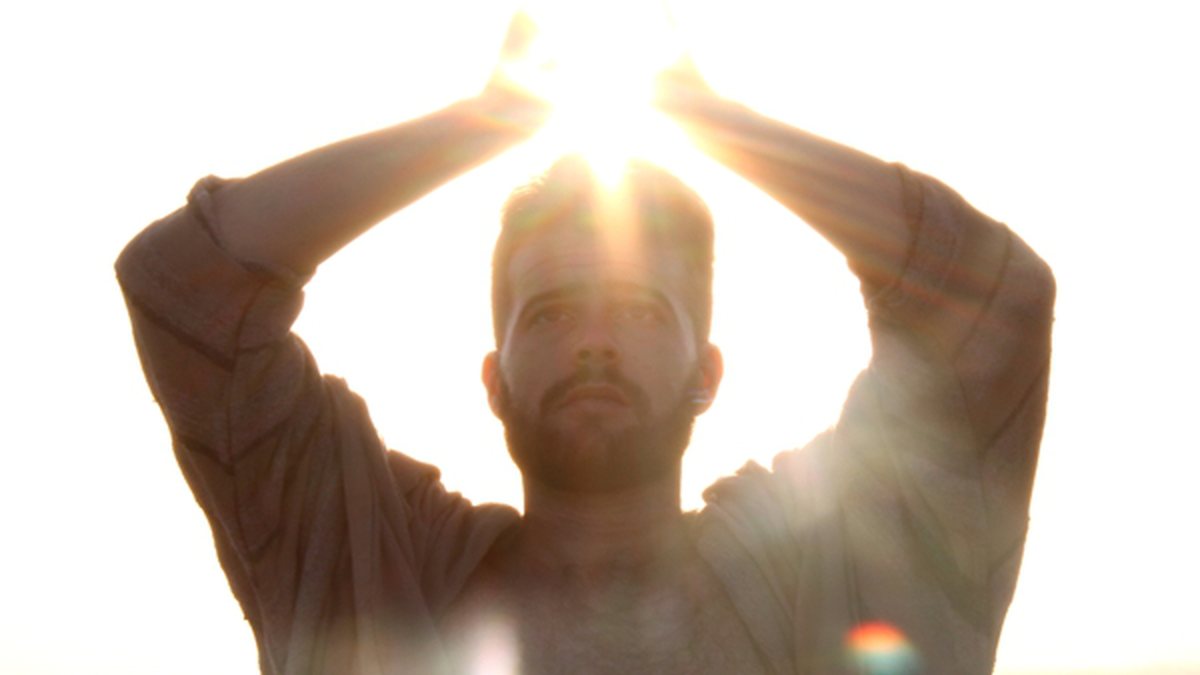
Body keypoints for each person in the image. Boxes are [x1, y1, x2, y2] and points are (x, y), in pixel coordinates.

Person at [116, 14, 1055, 675]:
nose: (596, 341)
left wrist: (716, 121)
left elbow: (993, 300)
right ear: (493, 378)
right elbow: (188, 290)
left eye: (644, 311)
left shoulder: (831, 570)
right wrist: (474, 124)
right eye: (552, 313)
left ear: (708, 372)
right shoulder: (371, 566)